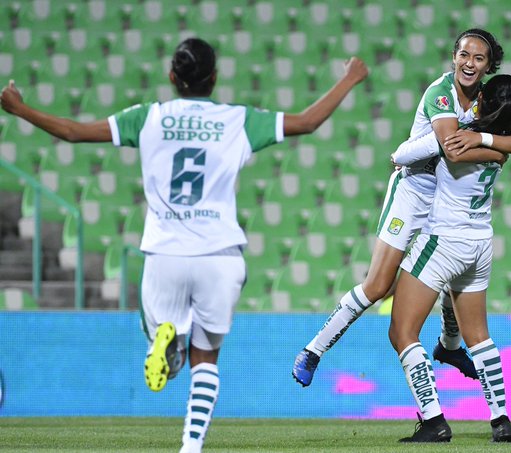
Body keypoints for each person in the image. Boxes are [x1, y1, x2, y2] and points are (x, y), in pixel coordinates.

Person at [0, 37, 368, 453]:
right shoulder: (238, 120)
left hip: (164, 253)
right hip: (219, 253)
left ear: (172, 77)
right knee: (206, 358)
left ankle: (167, 341)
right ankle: (190, 446)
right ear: (215, 77)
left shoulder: (148, 118)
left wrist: (20, 108)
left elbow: (73, 133)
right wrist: (349, 79)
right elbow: (307, 122)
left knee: (163, 338)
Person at [292, 29, 511, 387]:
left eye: (478, 58)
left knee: (454, 272)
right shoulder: (441, 93)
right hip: (414, 192)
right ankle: (314, 349)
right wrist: (497, 150)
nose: (469, 63)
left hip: (449, 199)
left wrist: (486, 142)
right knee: (378, 284)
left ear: (489, 65)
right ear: (454, 56)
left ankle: (449, 347)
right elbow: (452, 149)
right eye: (464, 54)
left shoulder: (487, 97)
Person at [390, 73, 511, 443]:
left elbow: (404, 154)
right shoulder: (504, 144)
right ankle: (500, 418)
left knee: (402, 332)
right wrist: (487, 140)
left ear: (481, 96)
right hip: (481, 244)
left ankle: (434, 420)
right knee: (479, 336)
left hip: (445, 241)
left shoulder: (456, 136)